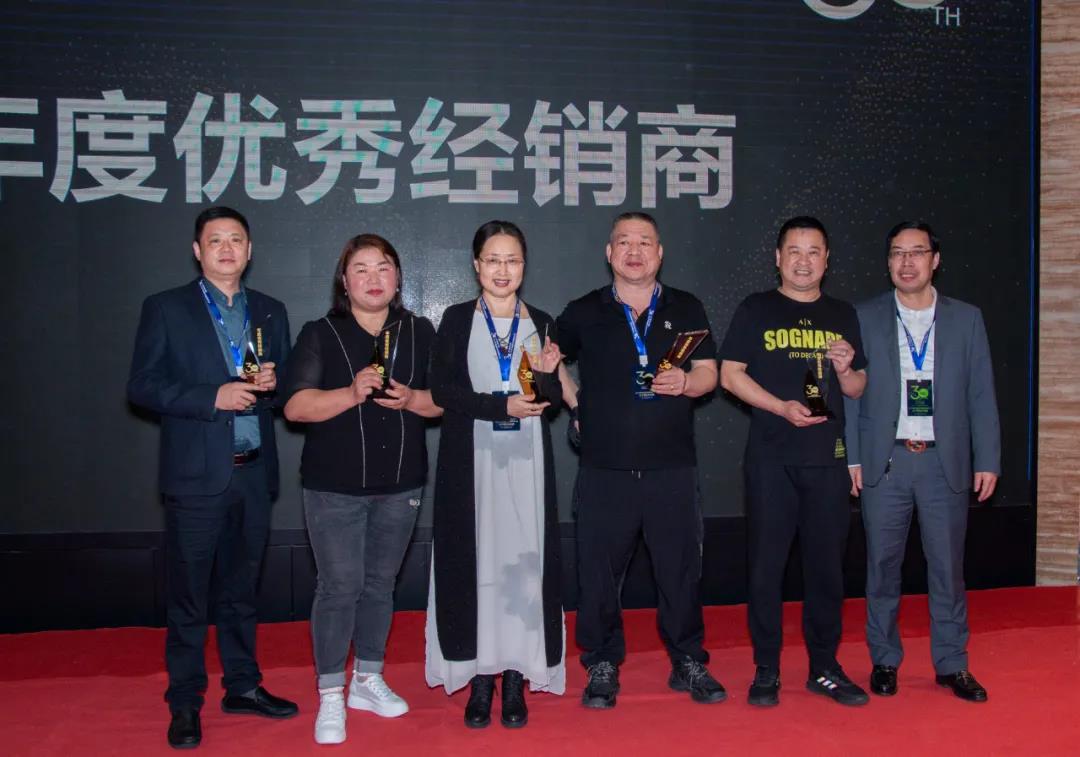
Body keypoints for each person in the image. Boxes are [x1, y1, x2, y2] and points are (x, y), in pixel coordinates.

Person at [127, 206, 297, 749]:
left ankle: (243, 686)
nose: (227, 248)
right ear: (198, 251)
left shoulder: (270, 310)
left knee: (242, 593)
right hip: (196, 478)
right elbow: (142, 385)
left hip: (253, 474)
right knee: (189, 598)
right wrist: (211, 396)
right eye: (216, 240)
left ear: (250, 250)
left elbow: (286, 391)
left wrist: (273, 384)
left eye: (236, 239)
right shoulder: (166, 308)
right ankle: (184, 701)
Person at [557, 211, 725, 709]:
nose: (635, 252)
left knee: (679, 570)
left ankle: (687, 659)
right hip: (604, 468)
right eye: (624, 243)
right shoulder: (585, 310)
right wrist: (578, 405)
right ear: (609, 253)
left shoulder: (686, 306)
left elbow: (710, 373)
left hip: (672, 467)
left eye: (645, 242)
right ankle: (601, 662)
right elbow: (546, 357)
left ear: (660, 253)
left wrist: (688, 382)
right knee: (598, 573)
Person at [282, 234, 442, 744]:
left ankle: (367, 679)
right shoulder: (321, 332)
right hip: (334, 486)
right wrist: (350, 393)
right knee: (339, 587)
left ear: (398, 278)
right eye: (362, 269)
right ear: (344, 281)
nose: (374, 279)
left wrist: (413, 399)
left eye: (384, 268)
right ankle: (331, 692)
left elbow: (443, 401)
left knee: (380, 585)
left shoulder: (419, 331)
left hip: (402, 483)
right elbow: (295, 407)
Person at [845, 221, 1000, 702]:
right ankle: (884, 659)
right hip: (885, 461)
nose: (906, 262)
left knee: (948, 570)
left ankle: (952, 663)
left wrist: (988, 458)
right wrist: (852, 457)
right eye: (897, 253)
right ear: (888, 261)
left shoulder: (966, 318)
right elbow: (849, 392)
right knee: (881, 567)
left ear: (935, 260)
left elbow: (981, 393)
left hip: (943, 462)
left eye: (916, 252)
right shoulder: (863, 316)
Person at [719, 215, 869, 707]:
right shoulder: (756, 308)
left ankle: (824, 667)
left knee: (827, 570)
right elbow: (729, 375)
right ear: (778, 258)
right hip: (771, 460)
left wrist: (845, 369)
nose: (804, 261)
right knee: (766, 568)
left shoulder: (843, 313)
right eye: (795, 251)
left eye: (814, 252)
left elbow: (857, 387)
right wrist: (779, 407)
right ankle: (767, 667)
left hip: (827, 461)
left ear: (827, 260)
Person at [425, 220, 564, 730]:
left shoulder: (542, 321)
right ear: (476, 265)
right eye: (493, 260)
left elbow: (548, 399)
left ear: (524, 266)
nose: (503, 270)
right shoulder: (456, 319)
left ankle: (516, 676)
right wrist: (498, 405)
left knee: (524, 566)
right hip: (474, 462)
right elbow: (442, 392)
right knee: (477, 563)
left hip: (526, 463)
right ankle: (481, 677)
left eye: (513, 260)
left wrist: (547, 374)